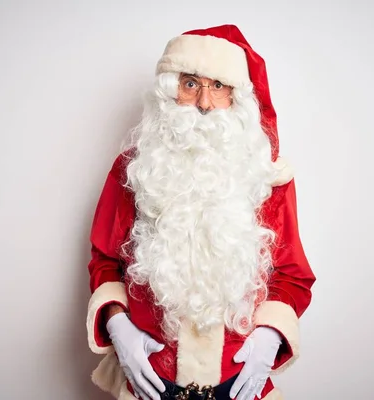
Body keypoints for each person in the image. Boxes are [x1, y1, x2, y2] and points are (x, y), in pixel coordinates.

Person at [85, 24, 316, 400]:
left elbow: (292, 276)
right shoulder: (135, 169)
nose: (205, 103)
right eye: (191, 84)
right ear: (170, 91)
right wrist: (118, 329)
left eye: (219, 86)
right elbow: (105, 260)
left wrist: (271, 339)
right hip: (147, 385)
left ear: (237, 97)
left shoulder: (267, 178)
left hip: (239, 385)